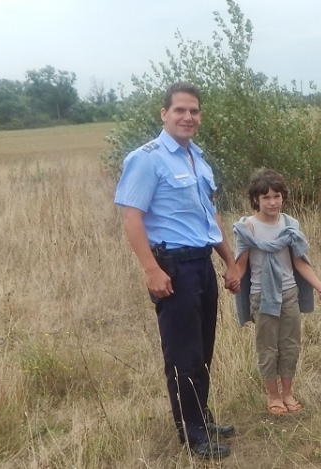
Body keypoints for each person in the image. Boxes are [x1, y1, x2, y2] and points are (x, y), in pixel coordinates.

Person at [114, 82, 238, 460]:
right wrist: (151, 270)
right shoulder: (147, 158)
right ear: (164, 114)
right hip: (173, 268)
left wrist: (229, 261)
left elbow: (209, 216)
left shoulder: (196, 158)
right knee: (183, 354)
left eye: (194, 111)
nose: (188, 117)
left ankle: (201, 416)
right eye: (180, 110)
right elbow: (132, 218)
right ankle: (193, 435)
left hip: (200, 263)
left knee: (202, 351)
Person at [233, 169, 321, 415]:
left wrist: (320, 287)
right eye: (265, 198)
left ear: (283, 197)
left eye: (276, 196)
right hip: (262, 296)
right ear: (256, 199)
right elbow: (240, 265)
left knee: (290, 345)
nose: (272, 202)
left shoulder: (290, 225)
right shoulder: (247, 228)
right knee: (267, 348)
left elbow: (300, 262)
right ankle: (273, 396)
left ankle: (288, 393)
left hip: (289, 294)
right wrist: (231, 278)